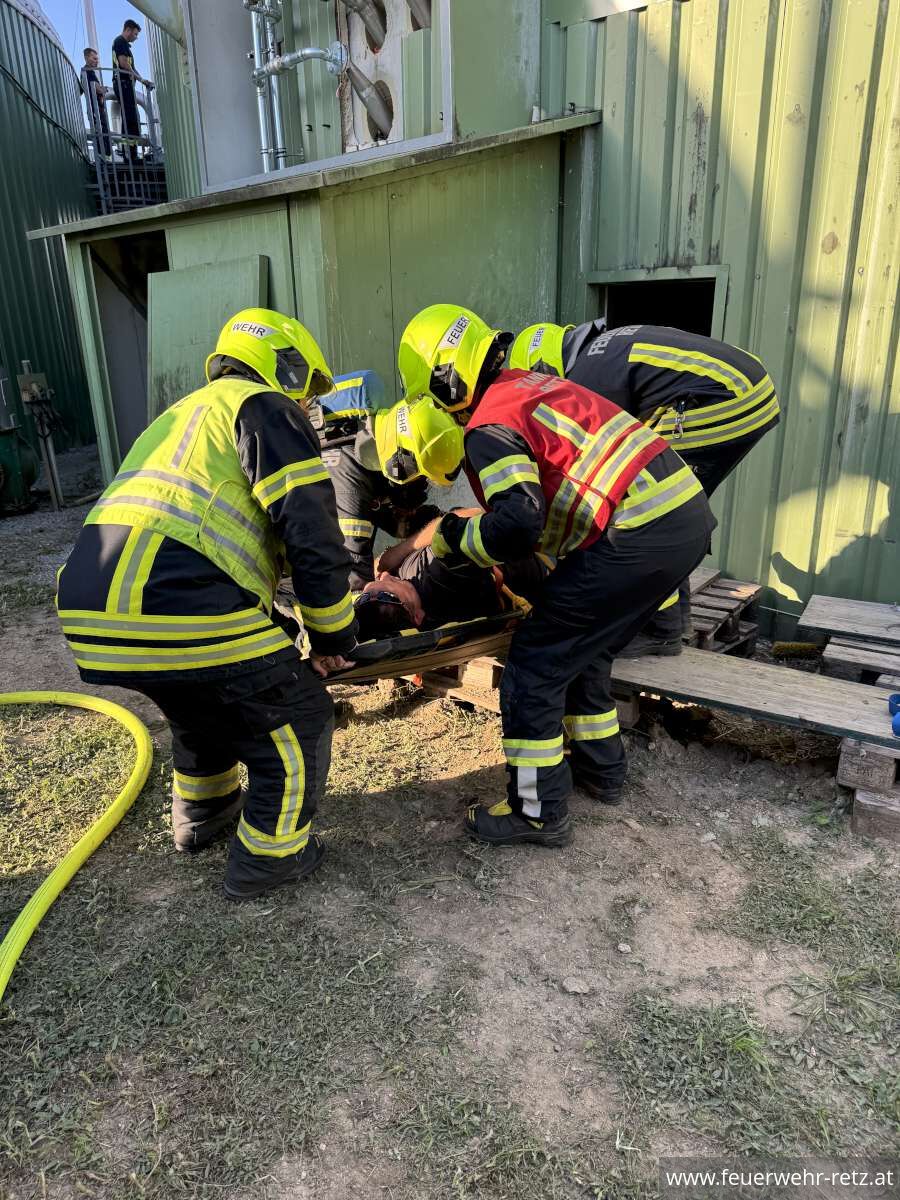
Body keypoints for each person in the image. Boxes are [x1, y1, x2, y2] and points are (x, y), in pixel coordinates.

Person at [56, 308, 357, 901]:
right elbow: (312, 528)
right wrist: (332, 640)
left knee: (202, 697)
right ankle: (272, 859)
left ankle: (203, 816)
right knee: (300, 718)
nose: (309, 405)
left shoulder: (182, 416)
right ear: (285, 364)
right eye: (307, 387)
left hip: (93, 603)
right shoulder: (264, 407)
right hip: (170, 596)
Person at [397, 304, 716, 849]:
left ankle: (536, 812)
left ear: (442, 380)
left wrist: (454, 540)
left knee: (535, 664)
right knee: (584, 651)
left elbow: (518, 522)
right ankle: (603, 771)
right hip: (681, 518)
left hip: (635, 530)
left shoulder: (488, 425)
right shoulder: (529, 386)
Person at [509, 321, 780, 654]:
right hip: (747, 390)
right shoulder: (606, 348)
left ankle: (662, 631)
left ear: (544, 368)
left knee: (656, 513)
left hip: (728, 399)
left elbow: (596, 466)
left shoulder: (587, 377)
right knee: (670, 508)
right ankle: (675, 622)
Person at [315, 370, 445, 591]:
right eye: (421, 482)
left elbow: (399, 522)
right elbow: (352, 580)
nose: (423, 491)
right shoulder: (351, 482)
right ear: (402, 469)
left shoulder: (378, 461)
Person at [353, 511, 549, 639]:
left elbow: (380, 574)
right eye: (386, 593)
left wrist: (385, 571)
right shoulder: (439, 574)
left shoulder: (408, 606)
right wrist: (402, 550)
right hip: (537, 567)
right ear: (418, 617)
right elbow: (476, 515)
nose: (383, 576)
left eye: (365, 595)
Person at [112, 19, 151, 161]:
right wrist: (139, 79)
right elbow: (123, 64)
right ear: (128, 30)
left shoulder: (125, 46)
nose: (136, 37)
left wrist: (142, 80)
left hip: (126, 85)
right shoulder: (120, 42)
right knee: (130, 120)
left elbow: (131, 68)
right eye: (135, 34)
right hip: (123, 83)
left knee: (131, 118)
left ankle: (130, 154)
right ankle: (130, 155)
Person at [82, 48, 111, 159]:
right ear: (86, 57)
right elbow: (97, 89)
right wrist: (104, 90)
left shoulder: (89, 72)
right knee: (101, 131)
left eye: (97, 59)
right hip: (96, 110)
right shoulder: (87, 71)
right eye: (94, 58)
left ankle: (104, 156)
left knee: (102, 130)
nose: (96, 61)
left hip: (97, 109)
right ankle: (103, 157)